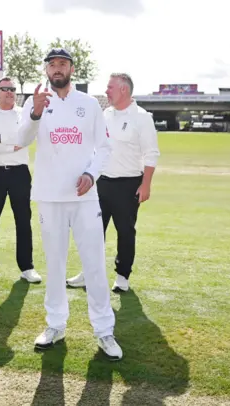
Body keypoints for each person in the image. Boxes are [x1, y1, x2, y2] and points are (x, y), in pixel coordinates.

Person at [16, 48, 122, 360]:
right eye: (52, 65)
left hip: (84, 196)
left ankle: (104, 331)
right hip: (49, 195)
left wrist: (91, 173)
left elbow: (104, 147)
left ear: (71, 69)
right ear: (46, 70)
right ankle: (55, 325)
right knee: (55, 264)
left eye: (62, 64)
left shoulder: (88, 104)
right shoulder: (34, 100)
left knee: (94, 265)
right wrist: (35, 113)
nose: (57, 69)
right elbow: (21, 140)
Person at [66, 73, 160, 293]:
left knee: (125, 231)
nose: (106, 91)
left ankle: (122, 276)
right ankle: (89, 274)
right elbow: (93, 148)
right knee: (93, 230)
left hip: (128, 184)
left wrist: (145, 185)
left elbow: (151, 153)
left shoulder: (142, 117)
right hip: (101, 182)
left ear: (123, 90)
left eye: (110, 87)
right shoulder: (104, 114)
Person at [0, 77, 41, 284]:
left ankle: (27, 267)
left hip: (19, 173)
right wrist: (10, 142)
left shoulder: (25, 114)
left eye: (12, 89)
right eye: (4, 89)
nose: (9, 92)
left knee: (23, 221)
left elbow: (26, 139)